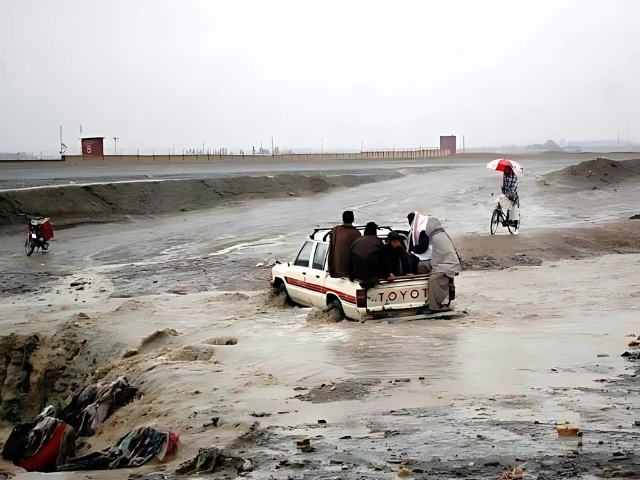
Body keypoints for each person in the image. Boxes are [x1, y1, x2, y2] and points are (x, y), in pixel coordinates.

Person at [423, 217, 461, 312]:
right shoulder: (441, 235)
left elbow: (439, 254)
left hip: (447, 265)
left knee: (433, 280)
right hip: (450, 264)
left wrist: (434, 267)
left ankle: (434, 306)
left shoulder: (436, 237)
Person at [349, 222, 388, 287]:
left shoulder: (356, 242)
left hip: (356, 275)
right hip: (371, 276)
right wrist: (387, 276)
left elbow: (350, 261)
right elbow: (384, 262)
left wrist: (351, 276)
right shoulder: (377, 242)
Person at [327, 211, 361, 278]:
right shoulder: (356, 234)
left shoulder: (335, 230)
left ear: (342, 219)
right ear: (353, 219)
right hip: (351, 271)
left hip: (336, 269)